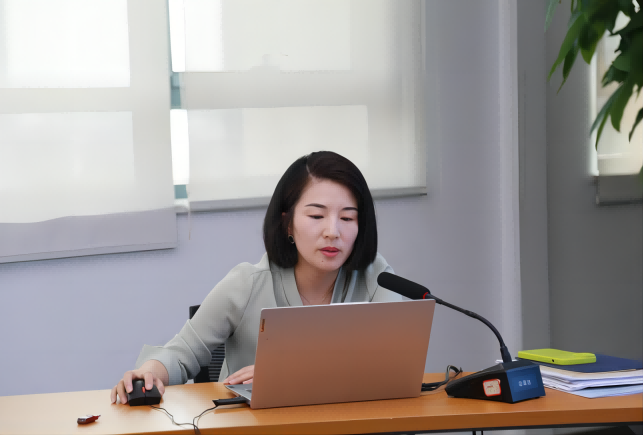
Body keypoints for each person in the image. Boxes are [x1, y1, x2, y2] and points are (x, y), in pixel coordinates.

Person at [110, 151, 402, 404]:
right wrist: (149, 373)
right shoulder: (247, 283)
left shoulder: (377, 278)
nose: (333, 232)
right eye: (316, 216)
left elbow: (394, 363)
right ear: (287, 223)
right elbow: (182, 352)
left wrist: (289, 374)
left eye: (347, 218)